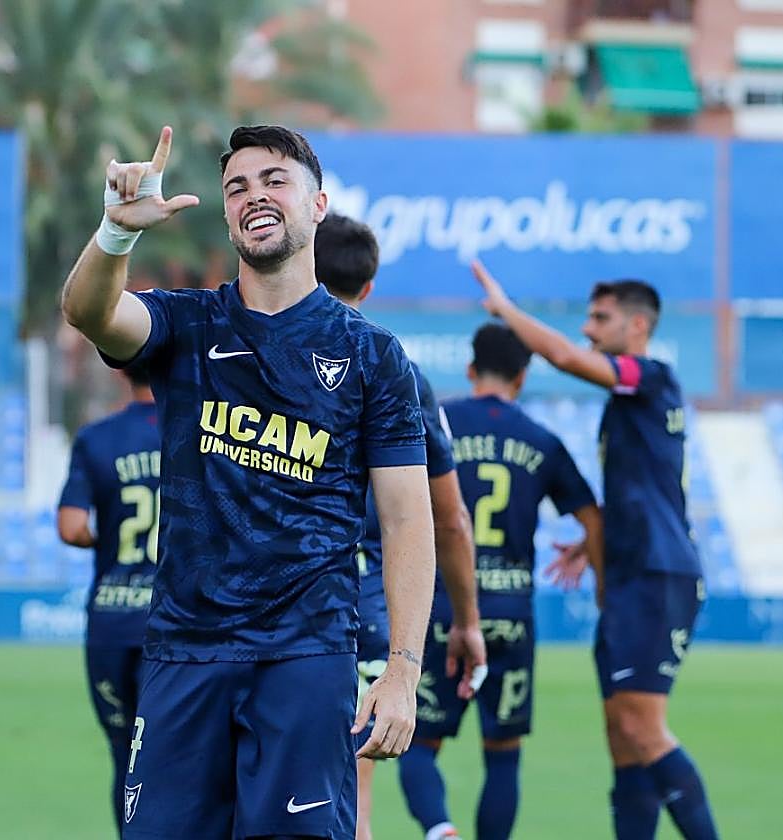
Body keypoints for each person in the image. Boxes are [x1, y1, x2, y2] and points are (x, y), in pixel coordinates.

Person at [60, 125, 437, 839]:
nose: (254, 196)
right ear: (227, 215)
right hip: (184, 653)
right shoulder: (187, 324)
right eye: (237, 187)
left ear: (317, 203)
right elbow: (89, 313)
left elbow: (408, 522)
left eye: (274, 180)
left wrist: (402, 671)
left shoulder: (373, 356)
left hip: (306, 656)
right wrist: (115, 232)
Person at [471, 260, 719, 840]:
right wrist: (593, 538)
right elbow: (650, 487)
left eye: (599, 318)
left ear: (636, 326)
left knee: (642, 727)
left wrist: (506, 311)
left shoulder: (649, 377)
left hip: (658, 576)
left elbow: (562, 357)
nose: (587, 329)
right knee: (622, 737)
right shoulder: (628, 405)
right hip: (634, 573)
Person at [312, 212, 485, 840]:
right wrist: (465, 620)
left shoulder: (254, 351)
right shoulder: (398, 371)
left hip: (256, 606)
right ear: (369, 286)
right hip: (361, 609)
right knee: (349, 784)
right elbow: (450, 520)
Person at [398, 322, 602, 840]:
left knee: (419, 743)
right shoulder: (542, 439)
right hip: (511, 614)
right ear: (523, 375)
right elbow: (592, 517)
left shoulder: (437, 424)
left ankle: (440, 829)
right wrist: (586, 555)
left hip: (440, 608)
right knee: (504, 756)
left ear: (470, 370)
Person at [56, 361, 159, 837]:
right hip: (177, 627)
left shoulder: (96, 439)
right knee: (178, 757)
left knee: (125, 755)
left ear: (122, 371)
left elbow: (71, 526)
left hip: (112, 624)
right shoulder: (202, 431)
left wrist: (108, 539)